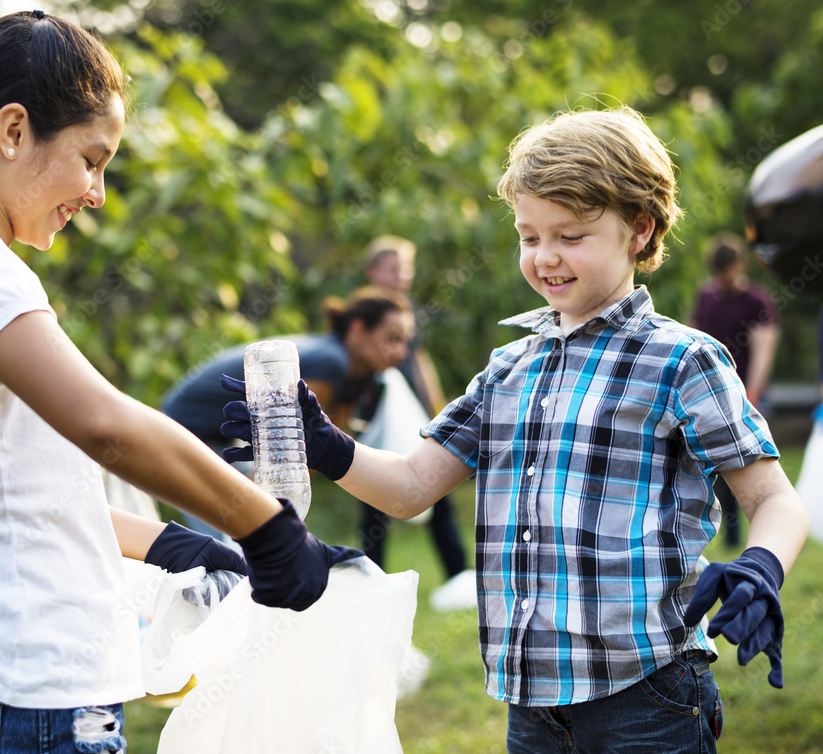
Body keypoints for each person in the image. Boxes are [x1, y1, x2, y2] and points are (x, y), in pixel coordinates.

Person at [0, 11, 354, 752]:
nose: (98, 191)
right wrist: (263, 528)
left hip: (7, 694)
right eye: (91, 158)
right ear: (14, 132)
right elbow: (106, 425)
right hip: (17, 704)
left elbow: (28, 501)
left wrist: (184, 545)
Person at [221, 107, 809, 753]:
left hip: (648, 693)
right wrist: (323, 442)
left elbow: (773, 498)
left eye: (571, 235)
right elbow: (414, 486)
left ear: (639, 231)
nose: (546, 257)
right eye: (530, 237)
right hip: (530, 704)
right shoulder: (509, 368)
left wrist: (760, 566)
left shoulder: (682, 360)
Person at [162, 286, 414, 539]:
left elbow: (317, 453)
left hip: (216, 437)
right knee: (234, 540)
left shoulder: (358, 374)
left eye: (405, 341)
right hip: (182, 431)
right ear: (358, 330)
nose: (401, 353)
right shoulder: (331, 363)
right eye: (393, 338)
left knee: (252, 533)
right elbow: (286, 451)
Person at [358, 236, 474, 610]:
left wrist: (437, 407)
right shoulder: (364, 312)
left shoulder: (406, 309)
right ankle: (370, 582)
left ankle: (458, 574)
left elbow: (420, 360)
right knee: (374, 494)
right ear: (373, 271)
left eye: (406, 268)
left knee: (435, 487)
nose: (401, 275)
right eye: (393, 268)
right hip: (379, 417)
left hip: (412, 417)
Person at [691, 232, 781, 548]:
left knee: (752, 472)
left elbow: (764, 347)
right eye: (719, 271)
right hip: (711, 395)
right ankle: (730, 537)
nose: (724, 277)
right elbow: (693, 339)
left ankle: (762, 536)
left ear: (740, 265)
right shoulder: (706, 298)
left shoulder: (755, 301)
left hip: (746, 394)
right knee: (719, 471)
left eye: (728, 269)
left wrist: (753, 391)